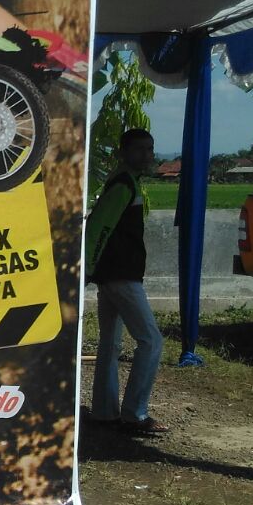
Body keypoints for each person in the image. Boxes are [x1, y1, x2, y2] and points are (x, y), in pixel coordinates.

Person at [84, 129, 168, 436]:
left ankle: (105, 412)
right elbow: (98, 227)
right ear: (124, 152)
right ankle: (135, 414)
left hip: (112, 275)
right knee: (151, 341)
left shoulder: (125, 181)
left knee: (111, 343)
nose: (147, 155)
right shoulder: (123, 184)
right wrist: (88, 269)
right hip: (120, 276)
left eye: (150, 149)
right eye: (140, 149)